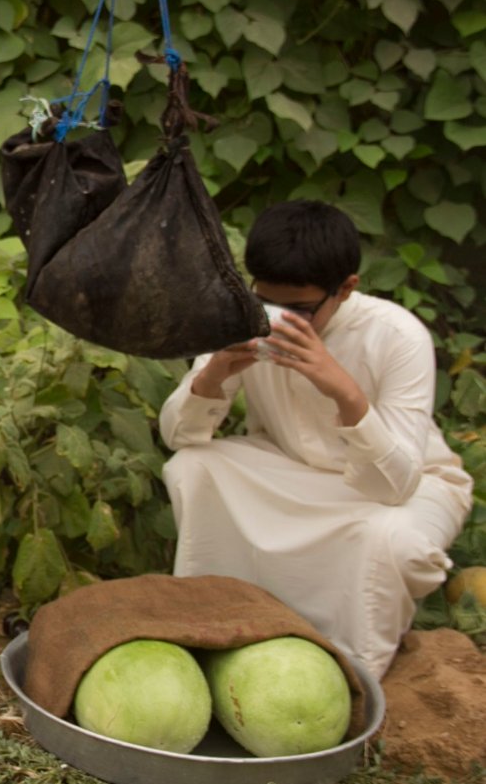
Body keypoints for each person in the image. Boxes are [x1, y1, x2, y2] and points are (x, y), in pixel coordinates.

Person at [159, 199, 473, 678]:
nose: (278, 317)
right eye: (267, 301)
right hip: (288, 472)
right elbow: (180, 435)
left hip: (405, 486)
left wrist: (342, 389)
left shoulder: (397, 336)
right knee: (193, 468)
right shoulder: (247, 316)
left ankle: (350, 671)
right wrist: (217, 370)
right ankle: (218, 622)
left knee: (396, 542)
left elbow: (395, 486)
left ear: (345, 289)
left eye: (299, 309)